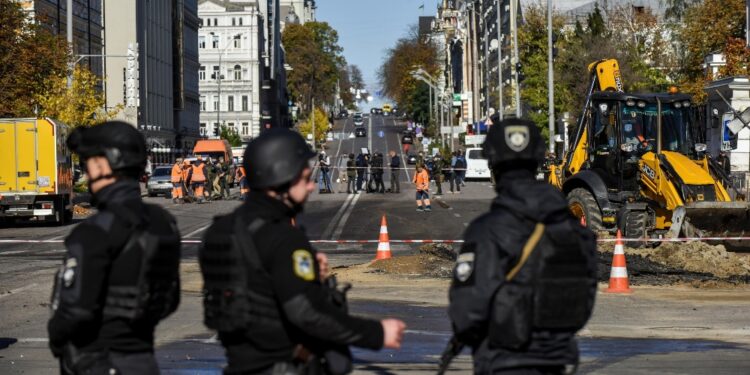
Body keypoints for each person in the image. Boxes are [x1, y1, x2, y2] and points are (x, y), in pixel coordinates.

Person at [199, 129, 406, 374]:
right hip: (284, 364)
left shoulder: (220, 231)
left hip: (239, 364)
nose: (311, 187)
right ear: (282, 177)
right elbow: (306, 312)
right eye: (305, 179)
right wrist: (377, 333)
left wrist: (298, 274)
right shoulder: (283, 238)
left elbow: (252, 287)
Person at [448, 118, 598, 375]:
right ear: (538, 161)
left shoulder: (487, 230)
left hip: (503, 362)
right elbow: (582, 304)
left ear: (493, 164)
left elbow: (467, 312)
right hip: (556, 362)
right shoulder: (573, 229)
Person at [49, 121, 181, 374]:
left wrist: (58, 338)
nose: (87, 174)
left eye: (89, 163)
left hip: (97, 361)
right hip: (143, 360)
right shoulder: (164, 223)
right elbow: (170, 300)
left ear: (103, 164)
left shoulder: (95, 231)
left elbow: (74, 311)